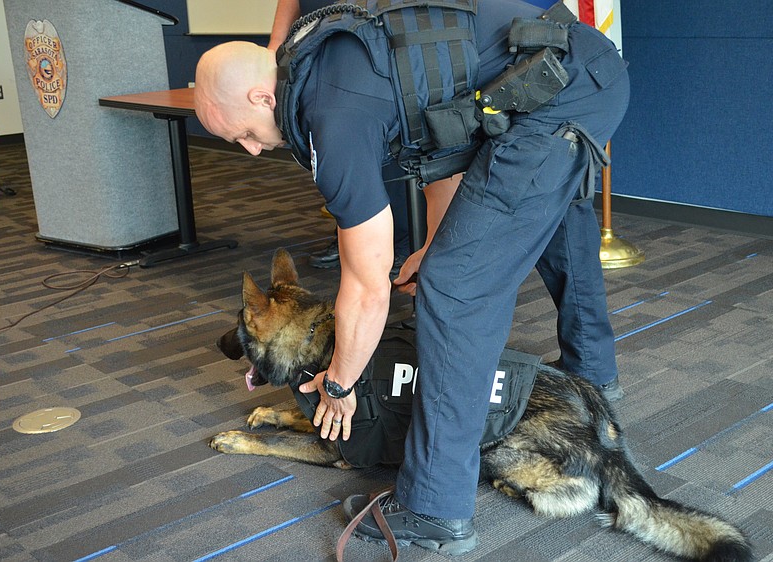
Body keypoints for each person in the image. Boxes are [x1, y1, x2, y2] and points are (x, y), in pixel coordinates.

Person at [194, 0, 629, 554]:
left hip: (556, 92)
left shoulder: (332, 118)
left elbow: (368, 281)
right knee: (547, 225)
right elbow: (441, 135)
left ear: (263, 96)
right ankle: (594, 384)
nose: (252, 149)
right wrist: (434, 241)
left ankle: (435, 506)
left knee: (454, 289)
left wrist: (340, 384)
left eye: (244, 134)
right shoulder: (324, 59)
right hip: (572, 70)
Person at [269, 0, 414, 273]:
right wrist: (276, 45)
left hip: (373, 29)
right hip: (320, 31)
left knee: (383, 141)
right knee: (333, 145)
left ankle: (402, 239)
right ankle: (350, 234)